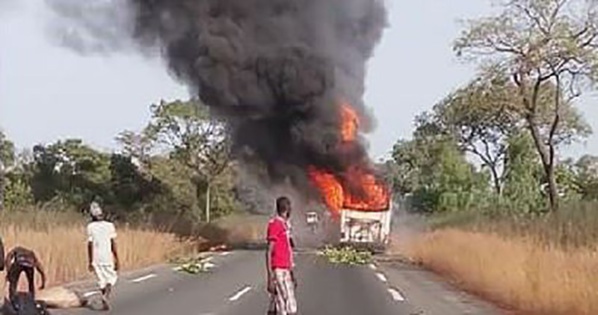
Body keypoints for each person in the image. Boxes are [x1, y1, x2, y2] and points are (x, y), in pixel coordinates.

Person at [266, 196, 297, 315]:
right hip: (278, 270)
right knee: (283, 306)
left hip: (286, 270)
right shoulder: (275, 225)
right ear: (286, 209)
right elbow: (269, 251)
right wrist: (270, 277)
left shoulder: (285, 225)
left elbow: (288, 251)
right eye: (289, 208)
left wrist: (292, 273)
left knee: (288, 306)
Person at [87, 202, 120, 311]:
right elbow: (113, 243)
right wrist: (116, 258)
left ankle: (104, 296)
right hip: (107, 256)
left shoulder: (90, 227)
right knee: (111, 278)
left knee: (101, 280)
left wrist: (90, 261)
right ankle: (105, 296)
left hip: (96, 257)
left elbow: (90, 244)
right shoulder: (109, 225)